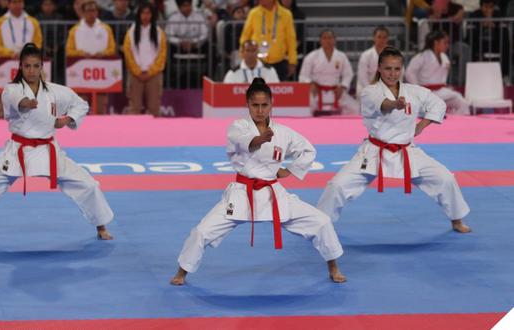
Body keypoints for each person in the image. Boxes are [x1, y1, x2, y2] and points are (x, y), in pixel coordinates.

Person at [170, 77, 346, 286]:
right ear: (248, 105)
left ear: (272, 104)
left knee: (322, 221)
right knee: (202, 231)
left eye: (264, 105)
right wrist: (261, 139)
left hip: (274, 194)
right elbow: (247, 143)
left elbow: (308, 150)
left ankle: (333, 266)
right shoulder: (238, 127)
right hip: (242, 194)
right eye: (255, 105)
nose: (260, 110)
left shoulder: (283, 133)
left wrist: (289, 170)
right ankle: (182, 271)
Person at [0, 43, 114, 242]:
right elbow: (18, 101)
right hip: (17, 151)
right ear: (20, 67)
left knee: (88, 184)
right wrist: (27, 103)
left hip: (48, 150)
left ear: (41, 67)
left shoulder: (55, 91)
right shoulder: (11, 90)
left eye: (36, 66)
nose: (31, 70)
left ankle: (101, 226)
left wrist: (68, 119)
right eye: (27, 66)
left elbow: (81, 105)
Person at [316, 46, 471, 235]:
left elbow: (437, 104)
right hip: (374, 151)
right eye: (388, 68)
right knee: (337, 185)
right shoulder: (369, 91)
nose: (392, 73)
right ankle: (320, 224)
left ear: (402, 69)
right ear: (379, 68)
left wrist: (421, 125)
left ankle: (456, 220)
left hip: (407, 151)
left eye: (397, 69)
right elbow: (383, 104)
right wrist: (395, 104)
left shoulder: (414, 91)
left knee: (446, 178)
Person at [0, 0, 43, 119]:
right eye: (14, 2)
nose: (17, 5)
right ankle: (0, 114)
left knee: (30, 89)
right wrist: (9, 53)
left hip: (27, 62)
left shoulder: (32, 22)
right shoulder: (0, 22)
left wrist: (26, 54)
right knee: (3, 90)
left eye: (19, 2)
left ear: (23, 4)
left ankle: (34, 115)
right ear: (8, 4)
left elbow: (38, 42)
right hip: (6, 62)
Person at [65, 0, 117, 115]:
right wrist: (81, 54)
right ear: (83, 13)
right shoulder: (75, 30)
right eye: (88, 11)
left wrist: (103, 53)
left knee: (100, 107)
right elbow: (69, 51)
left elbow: (112, 49)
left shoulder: (106, 29)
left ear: (97, 12)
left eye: (94, 10)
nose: (91, 13)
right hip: (81, 75)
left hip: (100, 75)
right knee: (80, 108)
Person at [405, 30, 470, 115]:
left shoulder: (444, 57)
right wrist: (417, 88)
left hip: (441, 91)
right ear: (436, 42)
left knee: (462, 103)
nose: (447, 45)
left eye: (448, 43)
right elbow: (409, 72)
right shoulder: (422, 56)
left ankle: (458, 124)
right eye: (445, 42)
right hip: (426, 93)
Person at [298, 30, 360, 115]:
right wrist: (311, 84)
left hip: (335, 91)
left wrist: (342, 86)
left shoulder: (341, 56)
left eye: (330, 38)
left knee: (355, 109)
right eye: (324, 38)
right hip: (316, 91)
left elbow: (348, 74)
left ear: (335, 40)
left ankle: (342, 126)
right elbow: (303, 75)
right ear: (320, 41)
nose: (328, 41)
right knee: (303, 109)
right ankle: (310, 126)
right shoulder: (312, 56)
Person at [123, 2, 167, 116]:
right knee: (134, 108)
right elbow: (128, 54)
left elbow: (162, 55)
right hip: (135, 74)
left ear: (152, 15)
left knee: (154, 109)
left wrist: (150, 72)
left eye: (148, 13)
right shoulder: (131, 33)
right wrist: (137, 71)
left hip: (154, 75)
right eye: (143, 13)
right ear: (138, 15)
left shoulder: (159, 33)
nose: (145, 16)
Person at [239, 0, 298, 80]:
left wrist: (292, 61)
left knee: (278, 91)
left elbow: (291, 40)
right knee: (257, 90)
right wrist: (243, 56)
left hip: (279, 61)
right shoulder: (253, 13)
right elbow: (245, 37)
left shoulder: (286, 14)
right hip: (257, 62)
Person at [356, 26, 391, 98]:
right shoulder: (366, 55)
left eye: (384, 37)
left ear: (388, 39)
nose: (381, 40)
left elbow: (399, 73)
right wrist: (372, 90)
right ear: (374, 38)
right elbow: (362, 76)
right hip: (368, 86)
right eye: (379, 37)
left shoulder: (394, 55)